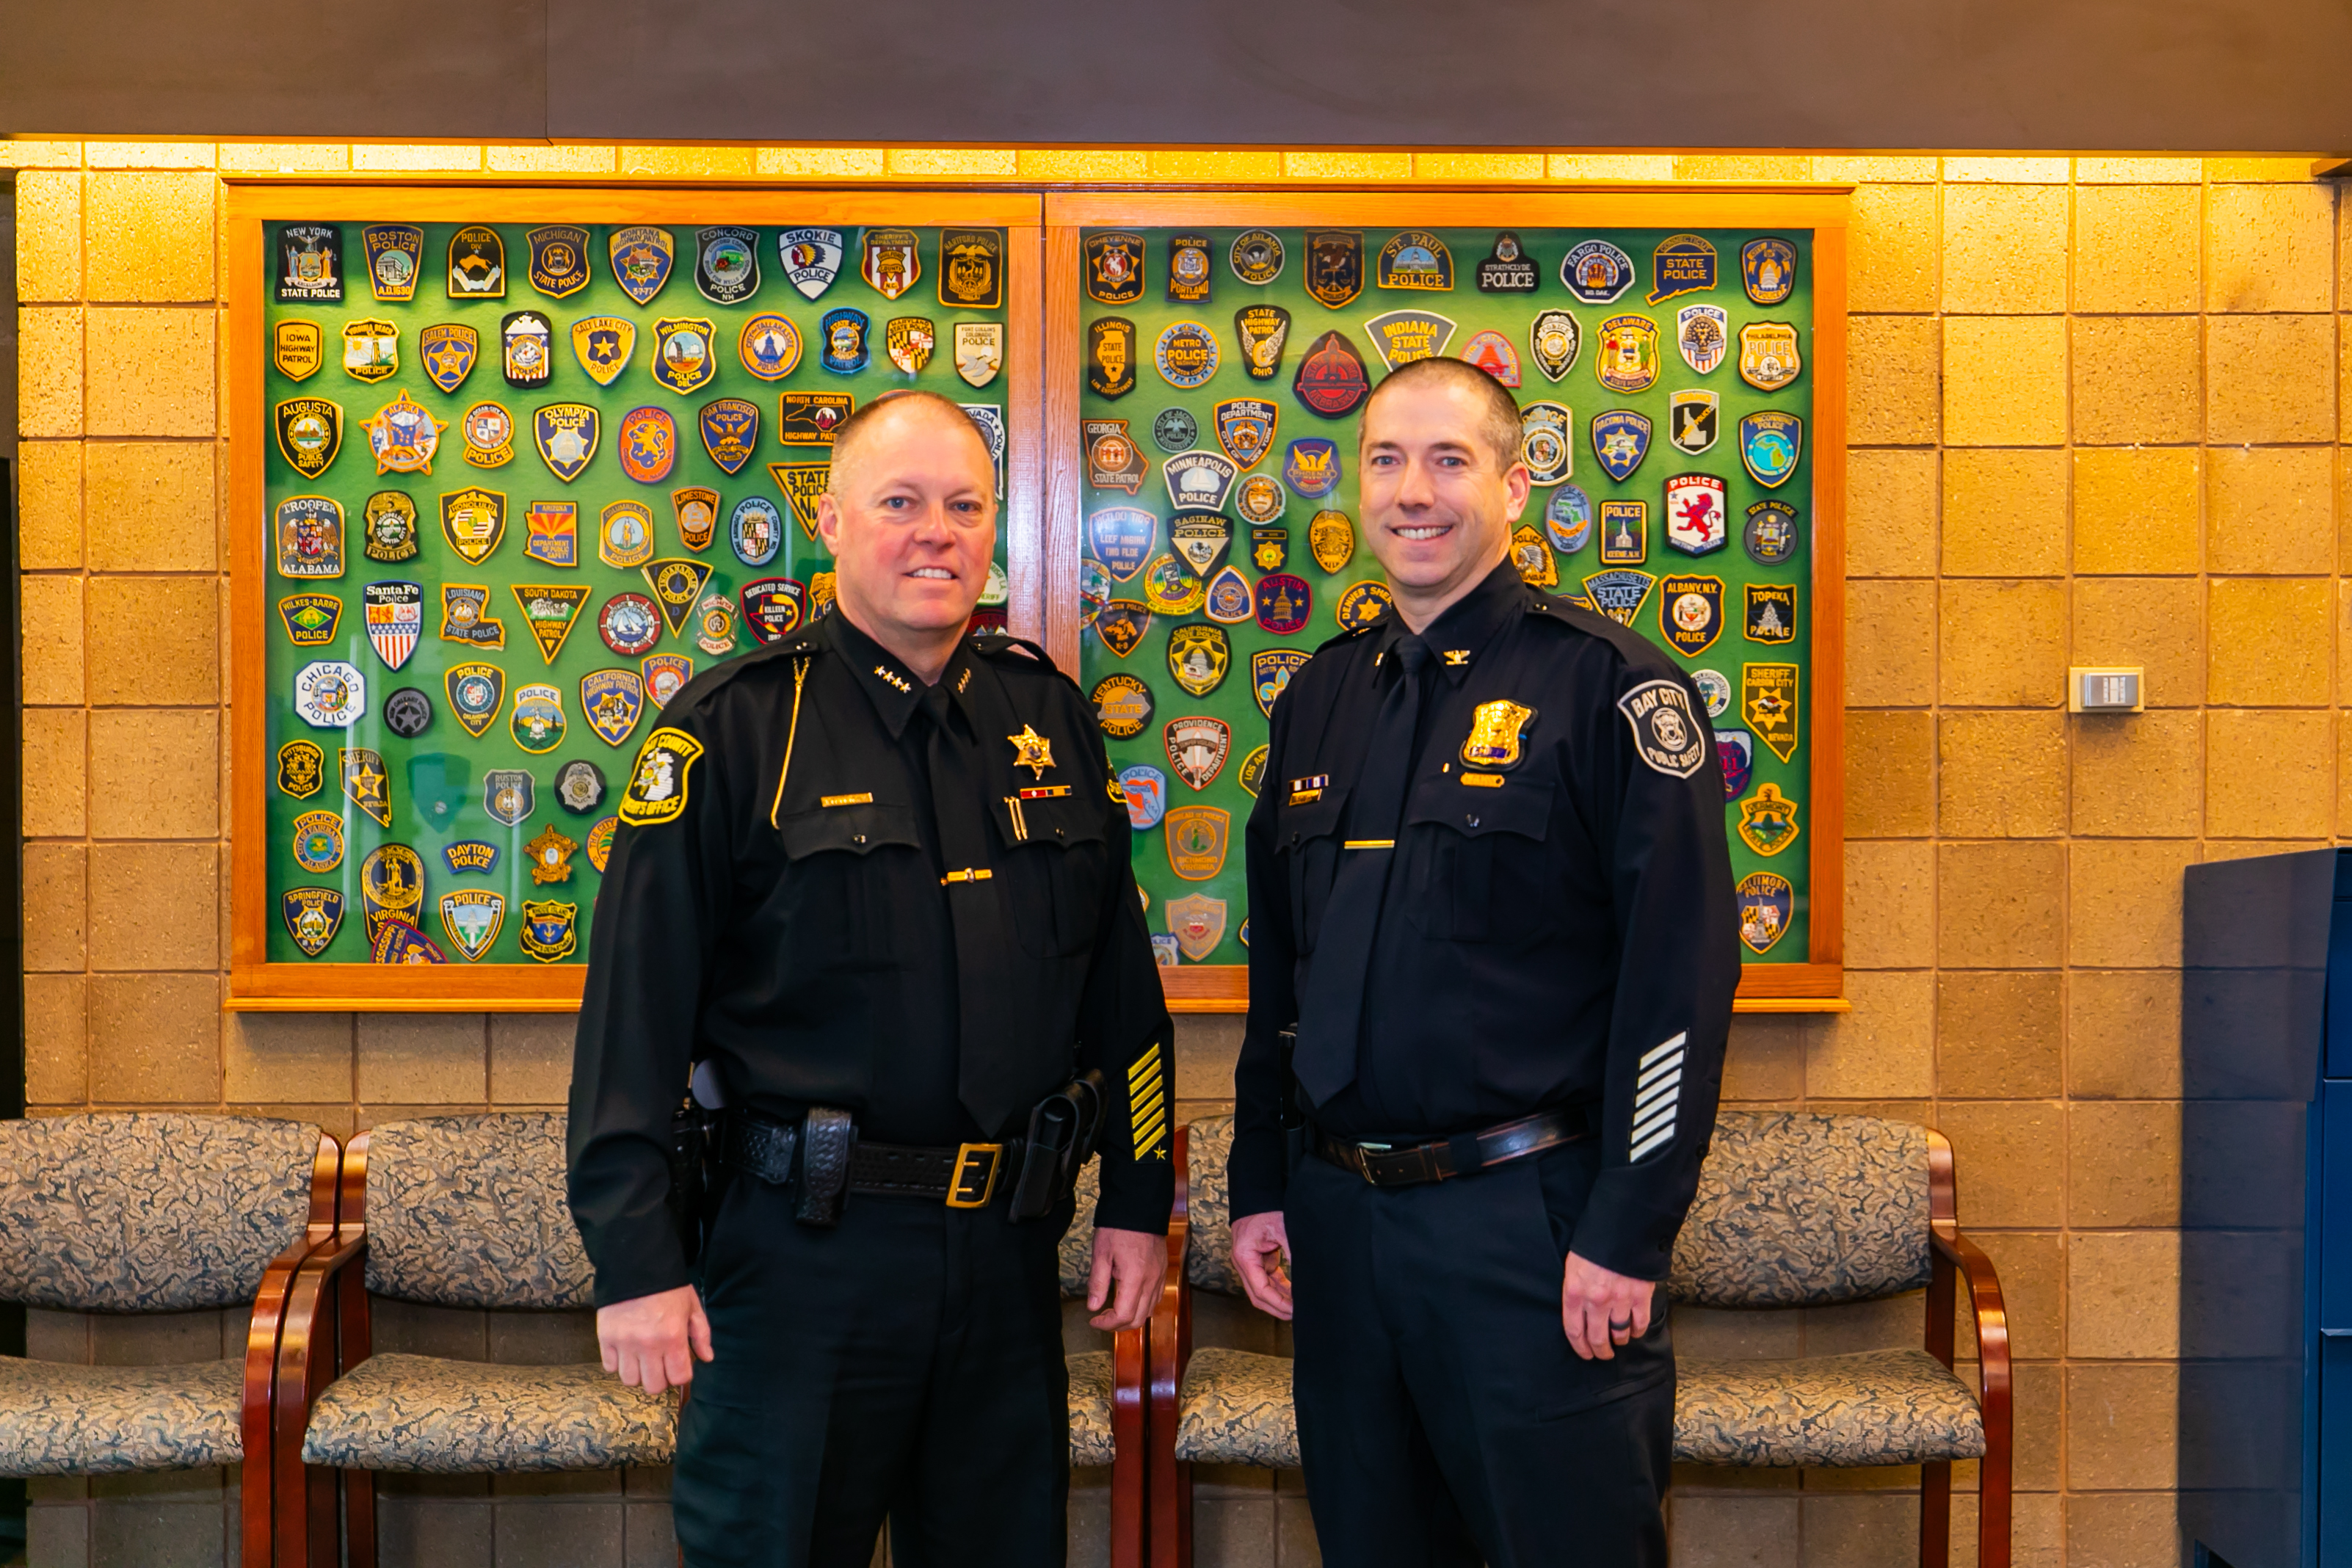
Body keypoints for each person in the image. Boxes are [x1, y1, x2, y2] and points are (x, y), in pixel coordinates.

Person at [567, 389, 1173, 1568]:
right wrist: (635, 1263)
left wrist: (1141, 1199)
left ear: (994, 528)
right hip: (802, 1264)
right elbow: (632, 1021)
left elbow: (1120, 993)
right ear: (835, 522)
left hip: (1004, 1258)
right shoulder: (736, 730)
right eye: (900, 503)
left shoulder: (1044, 718)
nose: (933, 531)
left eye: (962, 505)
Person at [1227, 356, 1739, 1566]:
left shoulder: (1609, 687)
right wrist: (1261, 1181)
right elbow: (1282, 981)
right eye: (1388, 460)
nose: (1416, 491)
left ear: (1517, 486)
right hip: (1344, 1229)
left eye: (1450, 460)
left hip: (1531, 1230)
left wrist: (1628, 1227)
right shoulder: (1315, 701)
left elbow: (1679, 986)